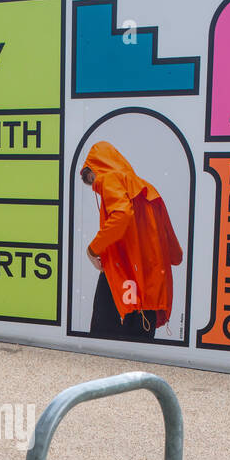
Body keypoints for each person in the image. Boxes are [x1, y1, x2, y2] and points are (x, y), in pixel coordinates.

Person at [81, 141, 183, 341]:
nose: (95, 186)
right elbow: (175, 252)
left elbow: (122, 215)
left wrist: (93, 250)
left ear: (98, 168)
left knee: (103, 346)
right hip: (150, 285)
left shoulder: (110, 179)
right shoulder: (148, 188)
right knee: (140, 351)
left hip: (123, 278)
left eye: (92, 178)